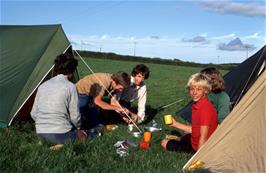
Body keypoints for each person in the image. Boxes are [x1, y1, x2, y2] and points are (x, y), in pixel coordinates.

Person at [31, 54, 86, 144]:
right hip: (60, 133)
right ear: (72, 71)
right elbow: (75, 116)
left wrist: (44, 124)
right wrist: (79, 128)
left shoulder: (43, 85)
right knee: (87, 135)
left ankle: (48, 143)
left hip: (40, 133)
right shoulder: (70, 87)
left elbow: (33, 113)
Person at [161, 73, 218, 152]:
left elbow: (203, 136)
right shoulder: (199, 104)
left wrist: (198, 157)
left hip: (200, 146)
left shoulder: (205, 109)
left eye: (199, 89)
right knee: (184, 135)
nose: (194, 92)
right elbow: (196, 129)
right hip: (196, 140)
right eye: (192, 89)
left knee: (164, 143)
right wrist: (175, 124)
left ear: (205, 90)